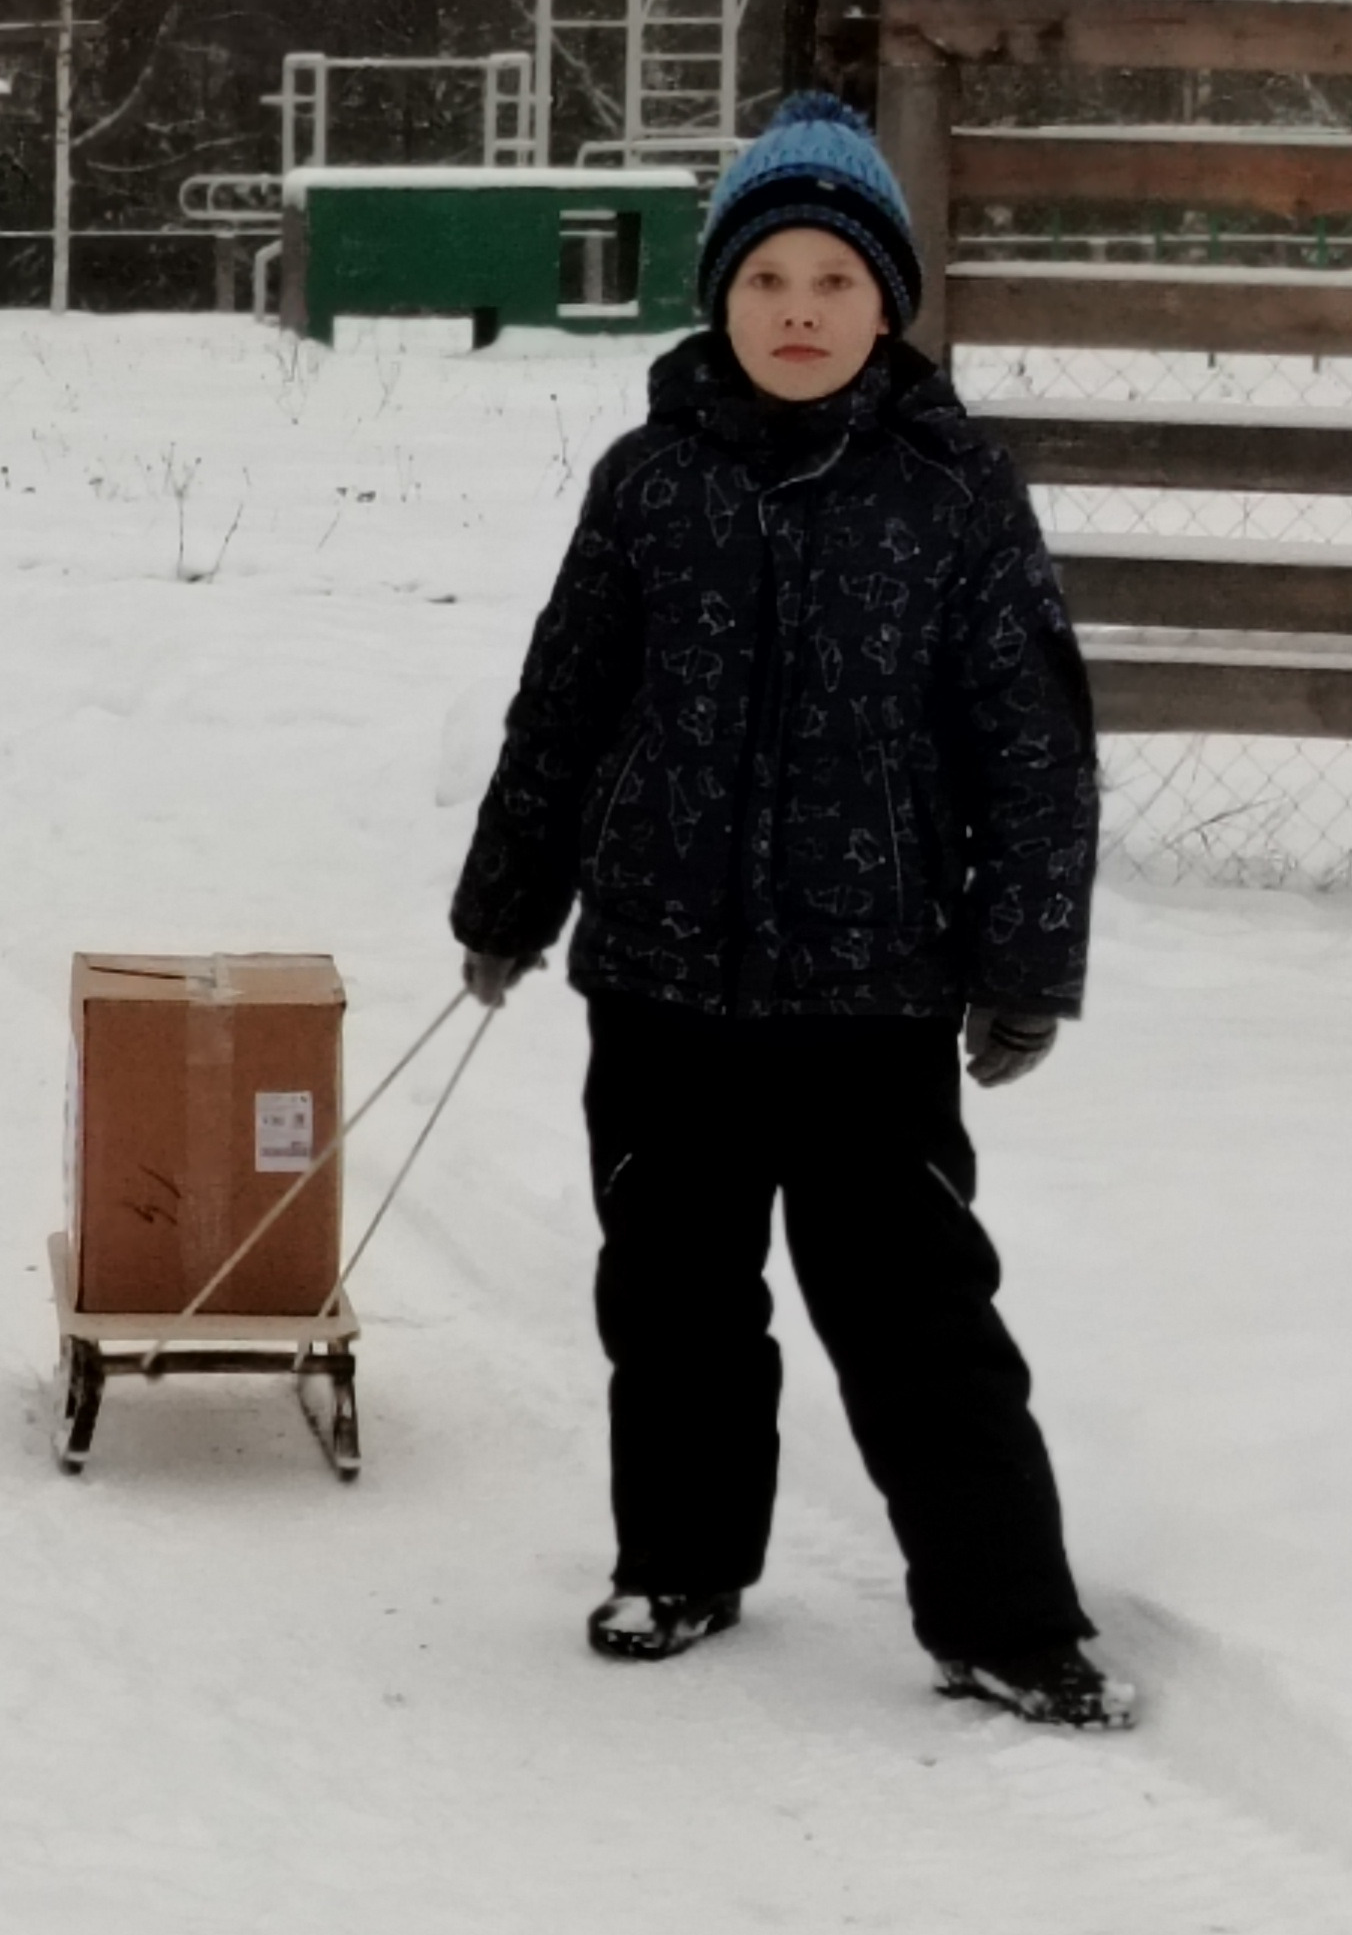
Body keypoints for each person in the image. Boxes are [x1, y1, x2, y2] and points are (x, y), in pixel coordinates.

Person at [448, 91, 1133, 1731]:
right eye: (767, 280)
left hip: (872, 994)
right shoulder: (649, 483)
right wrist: (510, 901)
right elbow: (566, 709)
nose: (801, 311)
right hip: (661, 981)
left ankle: (1007, 1618)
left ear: (887, 303)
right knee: (674, 1298)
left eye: (835, 280)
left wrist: (1022, 963)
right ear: (720, 299)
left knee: (917, 1315)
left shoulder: (955, 493)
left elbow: (1035, 747)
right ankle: (682, 1561)